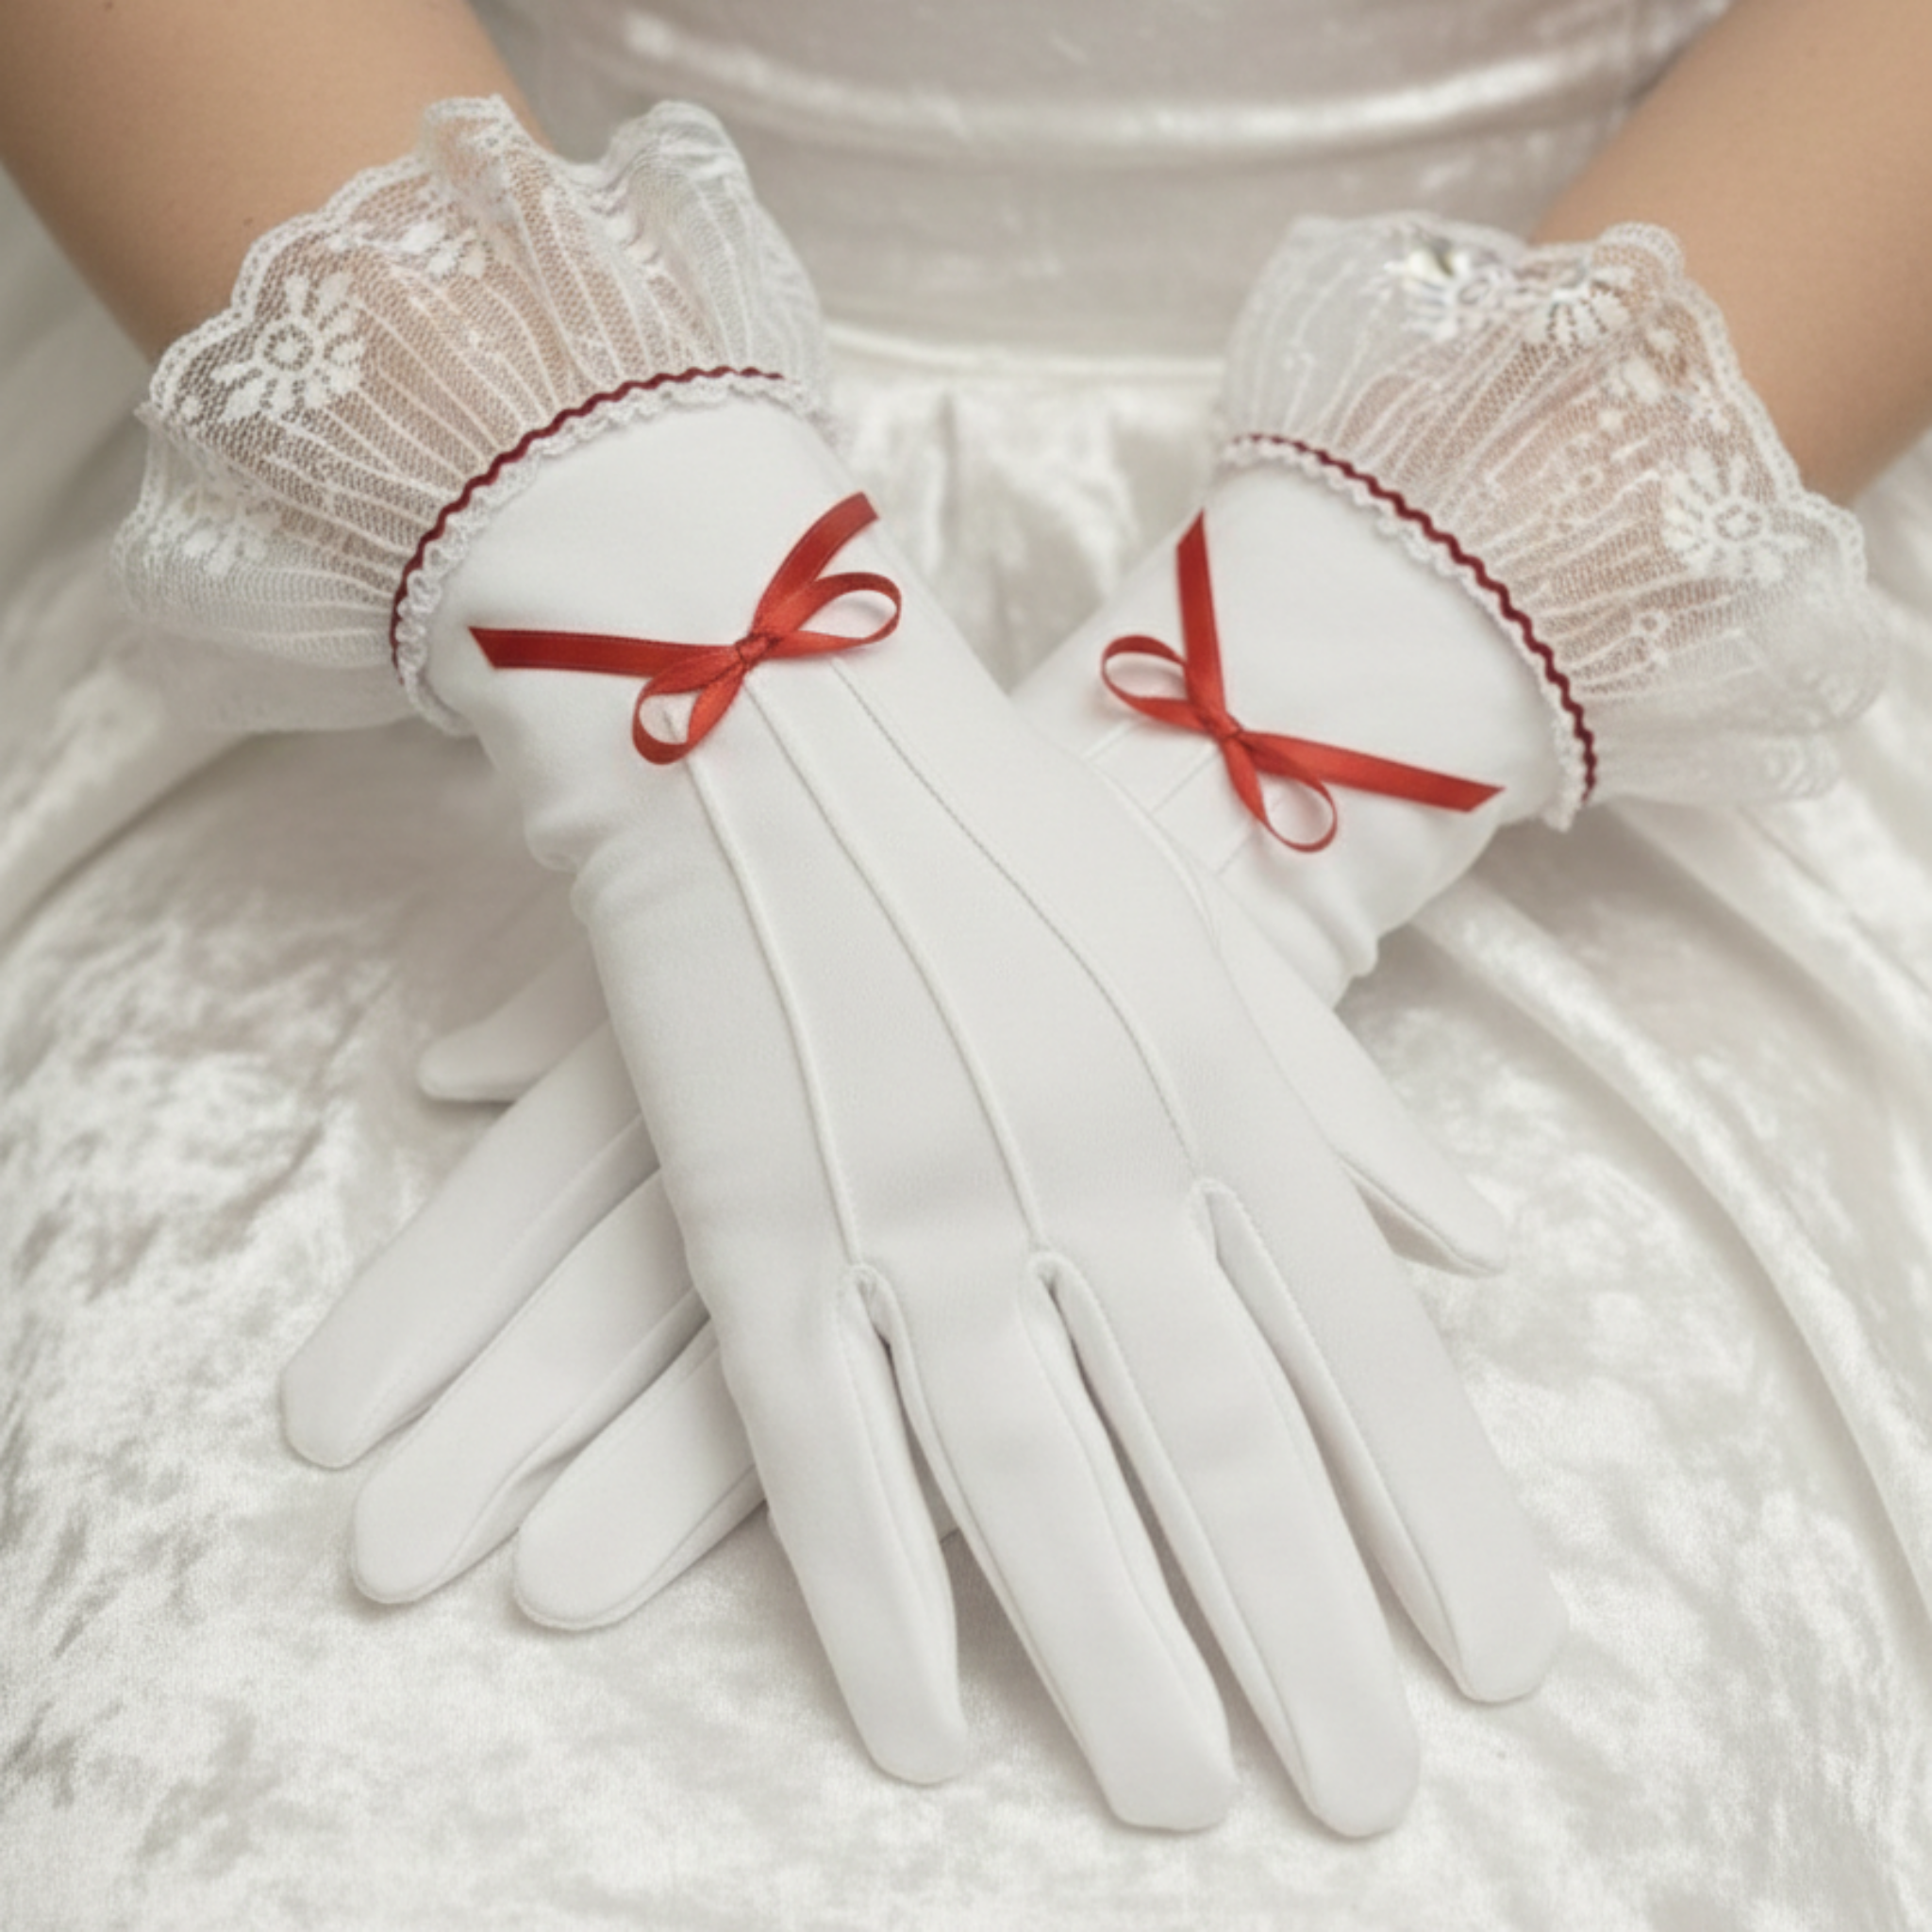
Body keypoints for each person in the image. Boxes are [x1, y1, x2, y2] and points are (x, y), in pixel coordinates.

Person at [2, 1, 1930, 1925]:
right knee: (256, 1766)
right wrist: (620, 560)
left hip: (1681, 419)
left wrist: (1395, 634)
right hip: (380, 318)